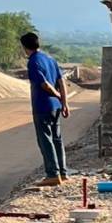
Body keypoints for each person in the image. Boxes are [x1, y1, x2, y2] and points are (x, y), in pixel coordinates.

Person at [21, 32, 70, 186]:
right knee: (57, 139)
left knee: (45, 140)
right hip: (56, 107)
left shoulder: (33, 62)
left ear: (24, 47)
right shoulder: (50, 59)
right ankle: (63, 172)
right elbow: (61, 81)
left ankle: (53, 174)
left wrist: (57, 95)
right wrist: (64, 102)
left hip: (42, 106)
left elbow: (44, 84)